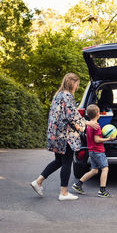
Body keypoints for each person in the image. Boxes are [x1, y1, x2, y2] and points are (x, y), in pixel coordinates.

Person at [30, 73, 99, 201]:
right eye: (77, 84)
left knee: (59, 161)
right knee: (67, 162)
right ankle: (64, 192)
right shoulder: (67, 96)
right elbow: (72, 116)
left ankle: (38, 181)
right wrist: (88, 123)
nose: (77, 87)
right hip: (65, 135)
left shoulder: (58, 94)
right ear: (72, 83)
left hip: (56, 134)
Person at [72, 104, 114, 197]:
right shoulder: (97, 126)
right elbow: (97, 140)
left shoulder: (89, 125)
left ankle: (78, 184)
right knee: (105, 169)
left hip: (92, 151)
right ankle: (102, 191)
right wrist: (108, 139)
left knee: (94, 170)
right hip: (98, 151)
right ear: (98, 114)